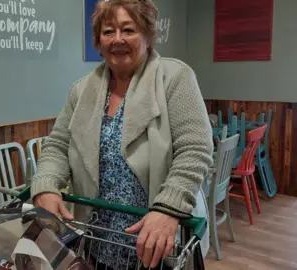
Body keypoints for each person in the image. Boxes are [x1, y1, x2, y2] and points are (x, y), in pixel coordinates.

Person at [30, 0, 213, 269]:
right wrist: (45, 185)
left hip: (158, 242)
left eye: (129, 30)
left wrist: (168, 209)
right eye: (108, 31)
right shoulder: (80, 91)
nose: (117, 40)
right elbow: (57, 146)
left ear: (148, 36)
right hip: (97, 242)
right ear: (98, 40)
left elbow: (195, 149)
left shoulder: (176, 77)